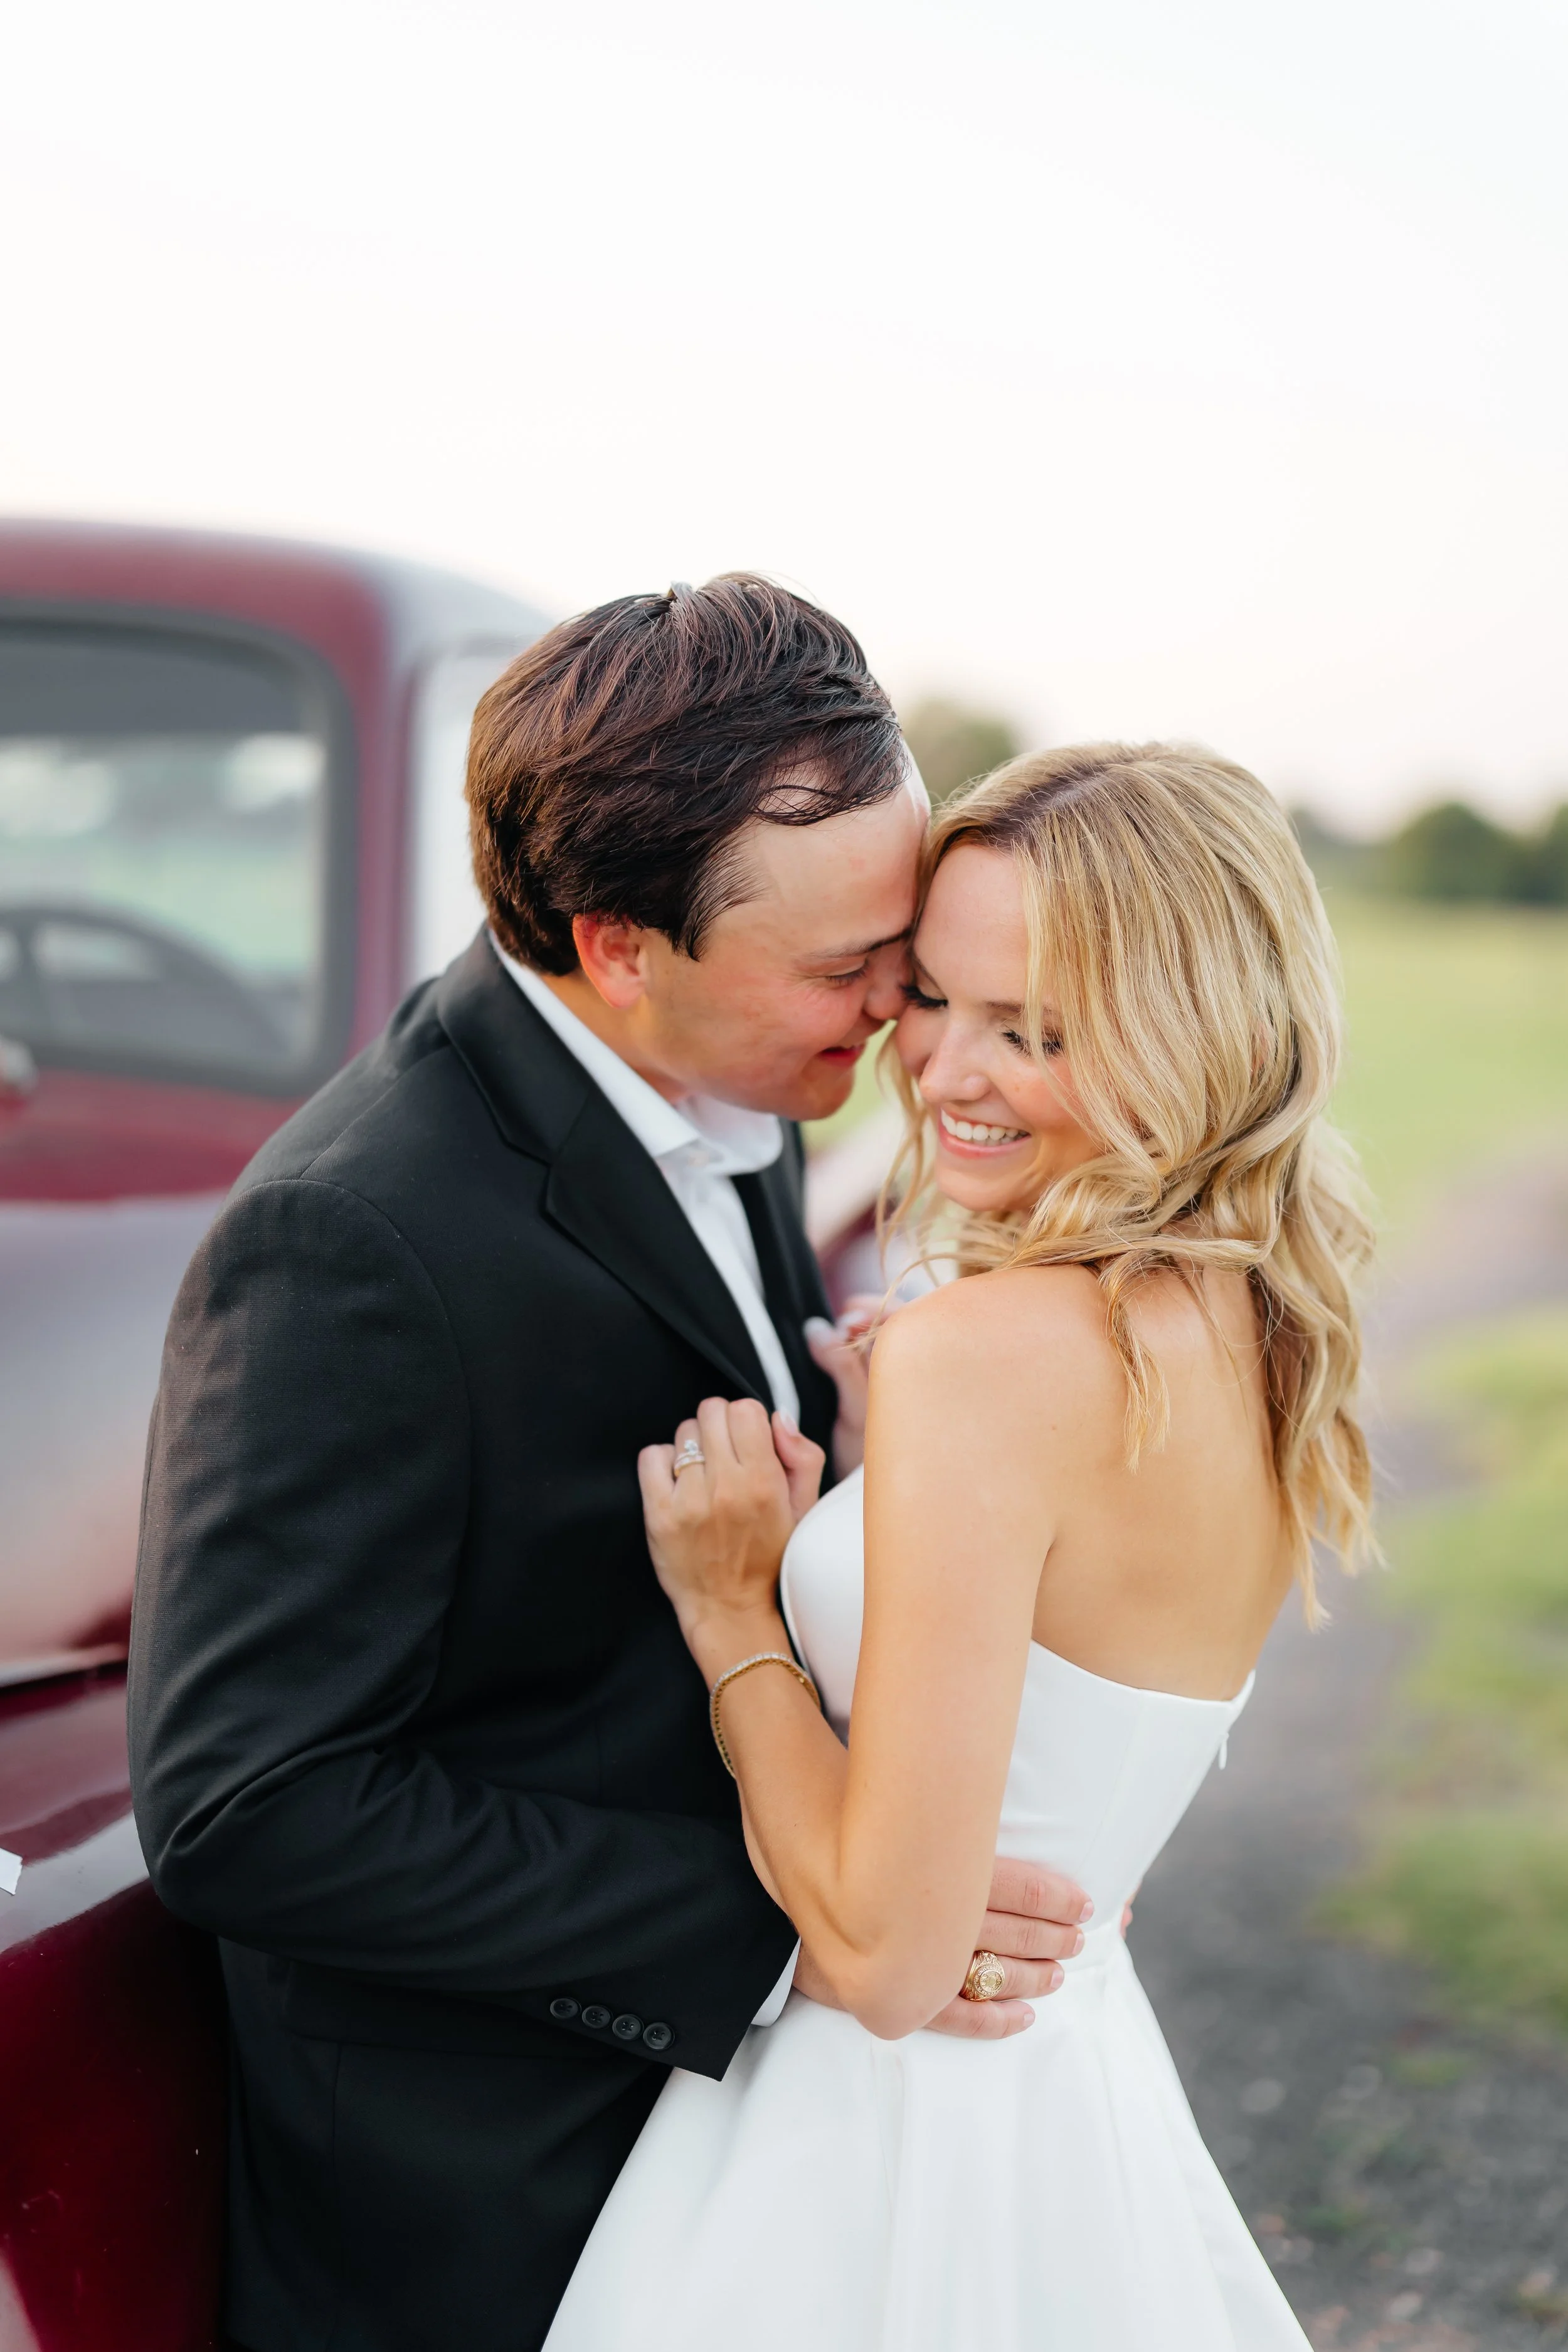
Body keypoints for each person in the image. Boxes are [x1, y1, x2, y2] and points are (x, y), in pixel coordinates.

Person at [127, 578, 1091, 2352]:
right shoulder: (353, 1238)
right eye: (842, 966)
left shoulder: (742, 1095)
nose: (897, 1010)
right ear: (618, 943)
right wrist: (809, 1921)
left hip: (744, 2162)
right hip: (492, 2209)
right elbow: (244, 1806)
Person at [544, 742, 1376, 2352]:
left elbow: (883, 1953)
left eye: (1037, 1031)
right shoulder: (1263, 1328)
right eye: (931, 996)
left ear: (1190, 1035)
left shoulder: (989, 1359)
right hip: (1074, 2113)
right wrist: (882, 1483)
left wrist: (736, 1617)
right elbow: (1077, 1708)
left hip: (878, 2155)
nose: (943, 1072)